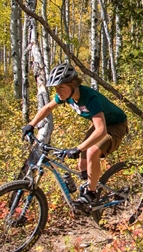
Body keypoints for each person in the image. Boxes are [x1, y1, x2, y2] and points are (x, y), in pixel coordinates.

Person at [21, 63, 128, 205]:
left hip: (115, 125)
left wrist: (78, 148)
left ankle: (91, 193)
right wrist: (31, 125)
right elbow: (47, 107)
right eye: (56, 88)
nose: (58, 91)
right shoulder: (67, 96)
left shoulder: (90, 98)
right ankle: (89, 193)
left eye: (61, 87)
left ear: (72, 84)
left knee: (91, 152)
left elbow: (101, 131)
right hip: (100, 124)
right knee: (82, 164)